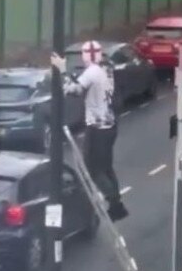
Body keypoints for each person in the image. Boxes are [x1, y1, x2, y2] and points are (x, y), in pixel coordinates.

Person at [51, 40, 128, 222]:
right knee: (106, 167)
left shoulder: (92, 71)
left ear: (86, 55)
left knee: (92, 169)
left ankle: (113, 201)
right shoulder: (107, 68)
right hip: (110, 124)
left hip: (97, 126)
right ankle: (117, 205)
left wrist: (62, 70)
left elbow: (74, 90)